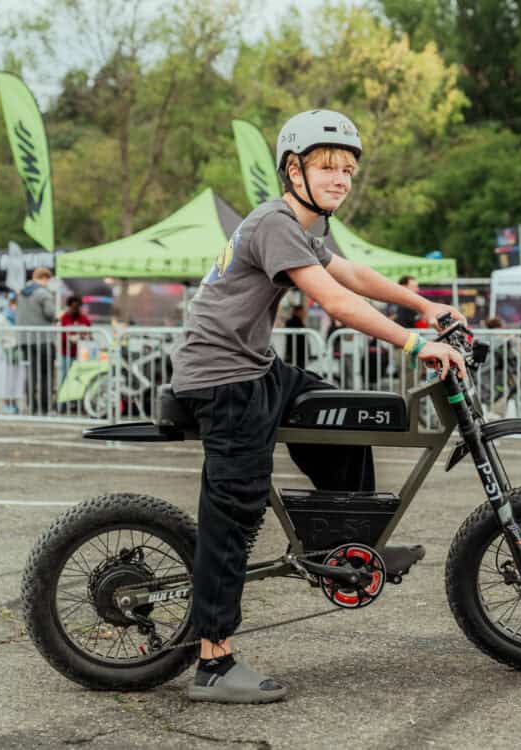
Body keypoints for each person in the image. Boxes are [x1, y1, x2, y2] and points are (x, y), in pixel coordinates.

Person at [170, 109, 466, 704]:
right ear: (293, 168)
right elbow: (335, 301)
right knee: (236, 510)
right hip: (223, 380)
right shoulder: (274, 222)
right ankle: (213, 662)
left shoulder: (303, 224)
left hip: (257, 369)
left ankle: (341, 550)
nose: (340, 179)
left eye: (349, 170)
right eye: (328, 166)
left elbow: (350, 271)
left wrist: (424, 306)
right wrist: (415, 342)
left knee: (342, 413)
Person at [16, 267, 58, 415]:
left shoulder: (21, 293)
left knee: (31, 374)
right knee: (46, 374)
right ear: (45, 278)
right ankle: (46, 408)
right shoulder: (43, 293)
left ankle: (32, 407)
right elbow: (51, 313)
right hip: (44, 339)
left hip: (25, 340)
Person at [58, 295, 92, 382]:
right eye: (73, 307)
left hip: (81, 354)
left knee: (81, 378)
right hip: (66, 354)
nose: (75, 309)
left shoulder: (84, 319)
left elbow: (90, 334)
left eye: (77, 307)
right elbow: (62, 336)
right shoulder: (64, 318)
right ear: (69, 307)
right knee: (65, 376)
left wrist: (82, 336)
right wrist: (72, 338)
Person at [283, 303, 309, 369]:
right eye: (302, 312)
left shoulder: (299, 323)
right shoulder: (296, 323)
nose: (304, 314)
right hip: (297, 355)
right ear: (297, 312)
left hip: (296, 354)